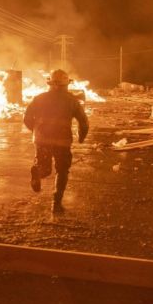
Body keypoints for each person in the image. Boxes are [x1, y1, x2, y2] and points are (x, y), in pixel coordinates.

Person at [24, 69, 89, 213]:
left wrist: (36, 132)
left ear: (50, 83)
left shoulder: (39, 98)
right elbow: (83, 122)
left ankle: (37, 172)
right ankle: (56, 203)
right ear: (66, 84)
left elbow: (27, 118)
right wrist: (81, 136)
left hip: (42, 140)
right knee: (62, 170)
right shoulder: (72, 101)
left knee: (45, 169)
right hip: (62, 141)